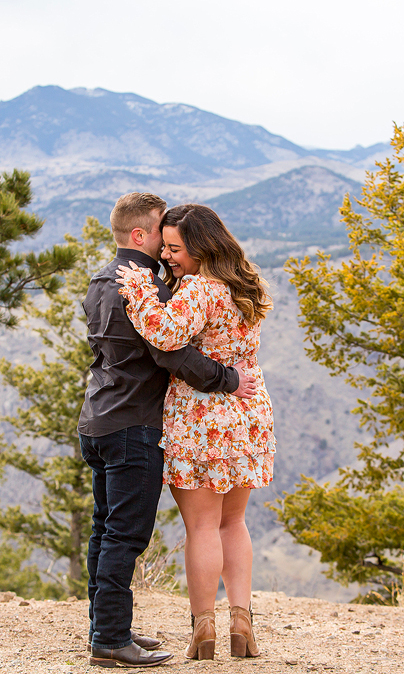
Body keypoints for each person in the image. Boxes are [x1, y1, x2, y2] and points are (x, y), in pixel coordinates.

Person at [79, 192, 257, 668]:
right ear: (142, 234)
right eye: (163, 234)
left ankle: (107, 627)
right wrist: (230, 379)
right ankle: (110, 638)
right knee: (125, 537)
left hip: (98, 418)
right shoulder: (146, 288)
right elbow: (171, 352)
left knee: (105, 531)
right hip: (134, 424)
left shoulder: (101, 280)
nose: (166, 247)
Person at [115, 203, 274, 661]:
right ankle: (242, 625)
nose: (166, 256)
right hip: (248, 413)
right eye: (164, 247)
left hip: (201, 418)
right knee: (234, 522)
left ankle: (203, 629)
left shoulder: (201, 289)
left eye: (175, 248)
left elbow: (165, 334)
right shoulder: (244, 284)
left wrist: (139, 289)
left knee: (202, 525)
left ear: (201, 247)